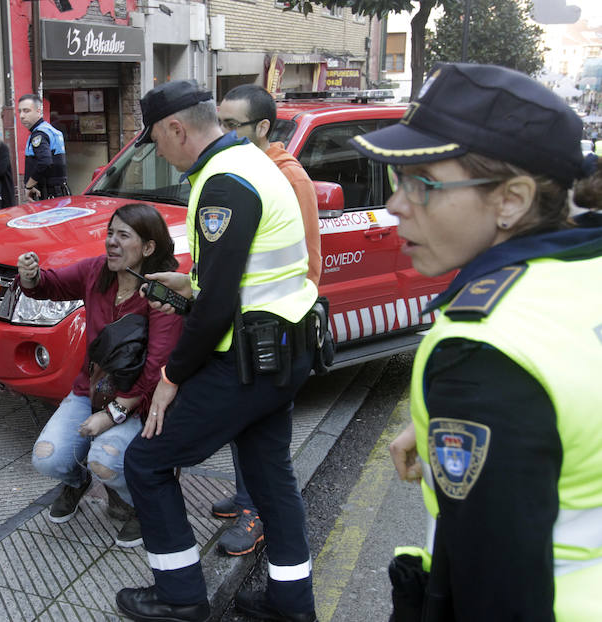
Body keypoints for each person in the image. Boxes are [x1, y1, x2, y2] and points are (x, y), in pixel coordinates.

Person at [349, 62, 602, 621]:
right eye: (397, 181)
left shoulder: (484, 351)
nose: (395, 206)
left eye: (423, 184)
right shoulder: (583, 264)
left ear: (512, 199)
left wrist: (477, 397)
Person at [116, 79, 320, 622]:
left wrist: (171, 377)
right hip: (285, 348)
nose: (158, 153)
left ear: (177, 129)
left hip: (249, 361)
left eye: (157, 141)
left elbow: (220, 306)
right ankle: (290, 603)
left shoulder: (222, 182)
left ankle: (180, 596)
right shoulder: (252, 163)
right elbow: (243, 274)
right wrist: (191, 282)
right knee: (270, 475)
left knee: (147, 461)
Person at [19, 203, 183, 549]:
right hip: (90, 391)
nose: (111, 242)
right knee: (48, 457)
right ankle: (76, 482)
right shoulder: (96, 271)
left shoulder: (160, 291)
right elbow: (50, 284)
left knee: (104, 460)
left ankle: (141, 505)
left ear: (148, 247)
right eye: (110, 233)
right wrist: (31, 277)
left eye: (123, 236)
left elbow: (156, 369)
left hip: (140, 402)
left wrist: (111, 416)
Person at [208, 83, 323, 557]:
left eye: (232, 126)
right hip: (242, 330)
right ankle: (246, 495)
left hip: (274, 334)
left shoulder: (286, 178)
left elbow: (309, 264)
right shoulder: (238, 170)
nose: (223, 134)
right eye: (220, 124)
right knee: (242, 425)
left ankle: (259, 512)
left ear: (262, 128)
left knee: (266, 440)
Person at [17, 94, 69, 201]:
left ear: (38, 111)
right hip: (58, 192)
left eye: (26, 111)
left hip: (47, 194)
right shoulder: (50, 130)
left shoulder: (39, 134)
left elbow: (45, 162)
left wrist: (29, 186)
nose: (22, 115)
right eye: (20, 111)